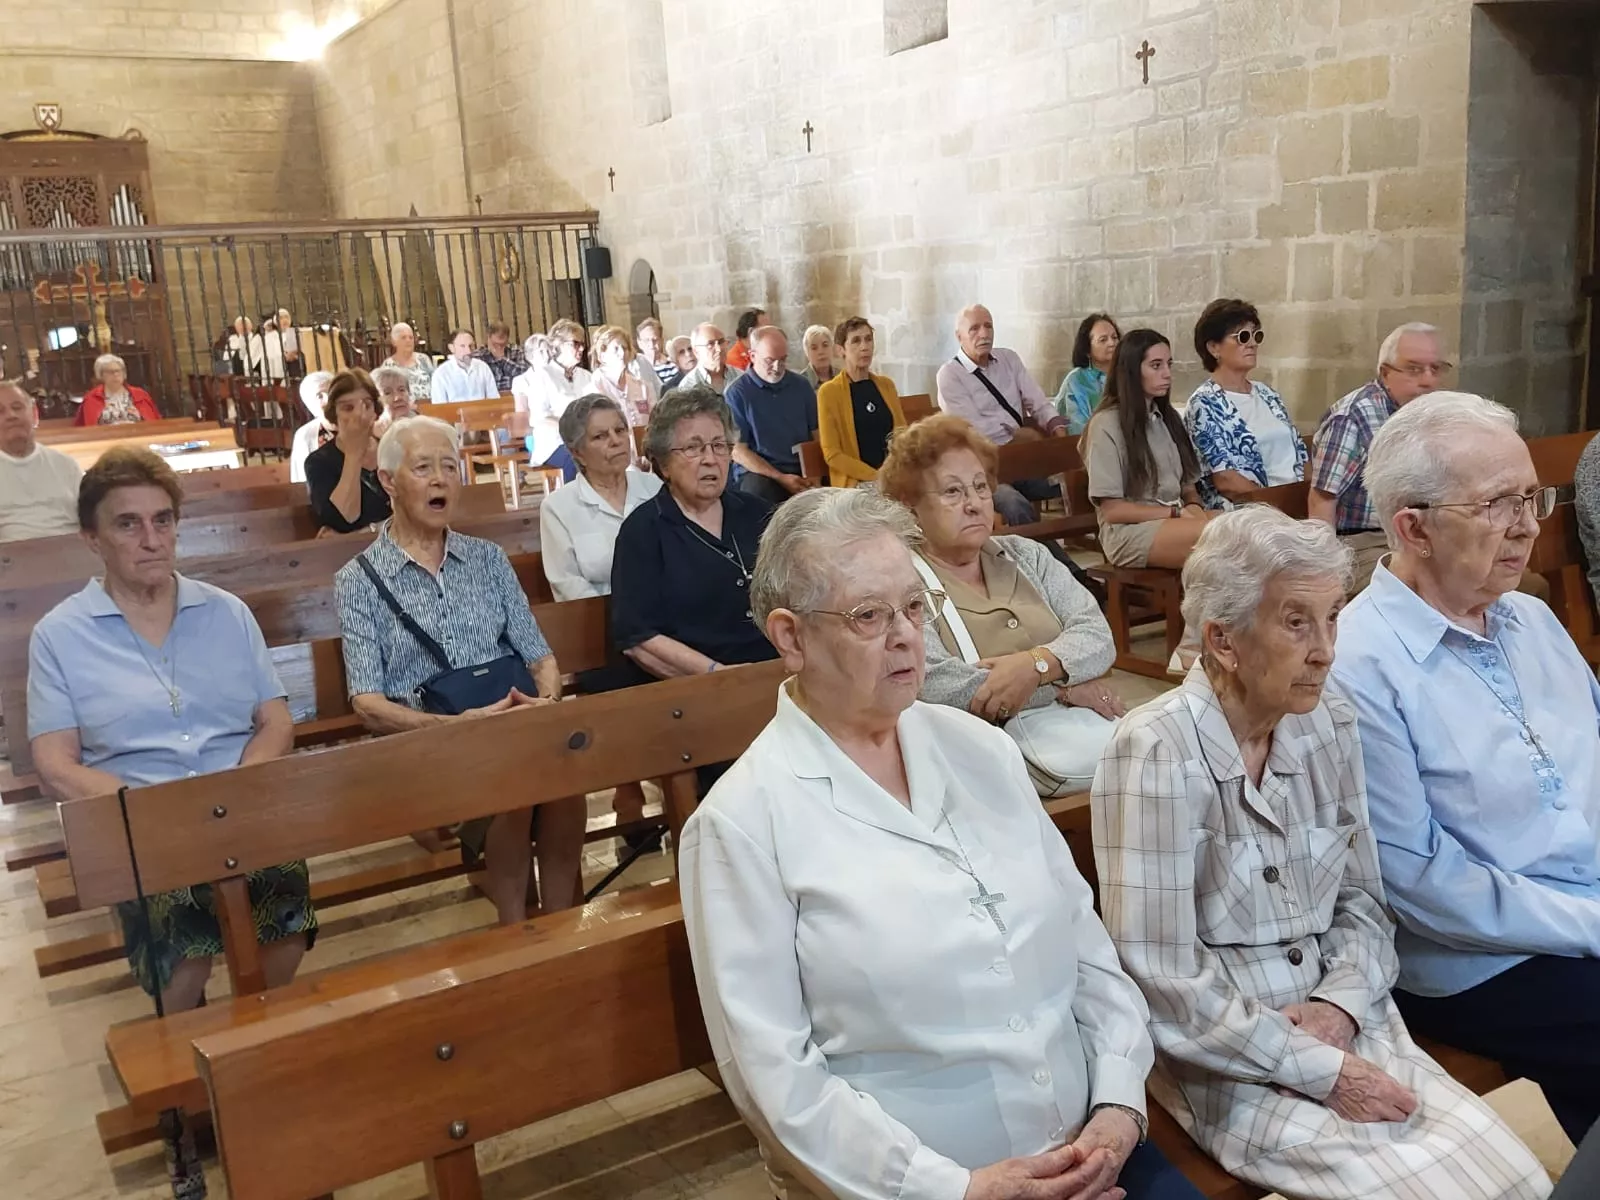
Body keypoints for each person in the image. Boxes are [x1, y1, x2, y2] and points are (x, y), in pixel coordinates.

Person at [680, 486, 1203, 1200]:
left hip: (1094, 1156)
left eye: (914, 607)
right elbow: (774, 1076)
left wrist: (1116, 1106)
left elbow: (1087, 951)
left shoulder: (981, 750)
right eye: (869, 615)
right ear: (790, 636)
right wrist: (957, 1187)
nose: (906, 634)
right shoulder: (743, 822)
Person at [1093, 506, 1551, 1199]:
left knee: (1514, 1173)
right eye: (1296, 622)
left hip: (1351, 1014)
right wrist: (1317, 1067)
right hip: (1229, 1055)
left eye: (1334, 616)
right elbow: (1163, 978)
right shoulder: (1154, 751)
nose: (1326, 650)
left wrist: (1340, 1008)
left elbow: (1364, 900)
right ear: (1223, 640)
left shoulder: (1328, 720)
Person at [1330, 390, 1600, 1147]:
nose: (1527, 525)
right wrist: (1590, 924)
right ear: (1413, 526)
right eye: (1496, 504)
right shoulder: (1360, 663)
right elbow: (1422, 886)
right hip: (1481, 955)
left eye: (1530, 496)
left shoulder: (1534, 618)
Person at [29, 446, 314, 1009]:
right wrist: (149, 809)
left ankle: (255, 1041)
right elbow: (55, 763)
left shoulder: (226, 612)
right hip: (140, 821)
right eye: (128, 524)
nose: (151, 538)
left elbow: (275, 721)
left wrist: (238, 789)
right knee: (181, 957)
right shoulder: (60, 635)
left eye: (162, 521)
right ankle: (187, 1064)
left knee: (283, 930)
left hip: (239, 807)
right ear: (93, 538)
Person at [334, 415, 582, 925]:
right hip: (432, 742)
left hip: (514, 723)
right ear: (388, 481)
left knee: (563, 783)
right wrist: (453, 728)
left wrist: (547, 707)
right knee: (513, 789)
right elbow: (367, 701)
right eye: (423, 467)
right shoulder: (358, 580)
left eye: (449, 466)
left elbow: (540, 657)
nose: (441, 478)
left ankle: (563, 928)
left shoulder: (487, 559)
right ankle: (516, 928)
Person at [879, 414, 1122, 795]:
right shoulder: (900, 584)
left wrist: (1035, 666)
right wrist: (1065, 689)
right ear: (910, 507)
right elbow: (937, 686)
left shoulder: (1028, 555)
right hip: (973, 765)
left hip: (1069, 743)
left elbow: (1097, 636)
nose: (974, 504)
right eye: (953, 492)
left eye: (980, 487)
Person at [610, 386, 778, 683]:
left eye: (719, 445)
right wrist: (717, 675)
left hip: (777, 673)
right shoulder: (644, 530)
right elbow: (638, 638)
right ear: (663, 462)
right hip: (696, 688)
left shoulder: (760, 514)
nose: (710, 459)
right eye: (693, 448)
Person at [1310, 323, 1452, 593]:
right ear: (1385, 373)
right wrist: (1324, 575)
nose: (1428, 380)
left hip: (1418, 536)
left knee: (1496, 583)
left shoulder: (1430, 414)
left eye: (1436, 369)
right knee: (1431, 589)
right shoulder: (1353, 418)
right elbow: (1322, 500)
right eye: (1414, 369)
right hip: (1362, 544)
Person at [1082, 329, 1215, 570]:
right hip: (1130, 533)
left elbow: (1188, 487)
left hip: (1175, 518)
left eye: (1168, 364)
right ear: (1132, 371)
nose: (1167, 374)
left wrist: (1194, 508)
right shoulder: (1106, 425)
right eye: (1156, 365)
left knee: (1250, 526)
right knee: (1223, 540)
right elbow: (1113, 511)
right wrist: (1174, 513)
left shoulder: (1166, 417)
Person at [934, 303, 1065, 528]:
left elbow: (1039, 402)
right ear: (959, 336)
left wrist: (1059, 435)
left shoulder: (1008, 359)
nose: (984, 334)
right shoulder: (950, 375)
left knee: (1073, 483)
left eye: (988, 326)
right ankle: (1046, 561)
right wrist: (1018, 437)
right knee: (1015, 505)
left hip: (1021, 459)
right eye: (974, 328)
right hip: (984, 471)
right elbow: (975, 431)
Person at [538, 393, 662, 602]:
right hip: (599, 621)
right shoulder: (558, 508)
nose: (616, 441)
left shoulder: (655, 488)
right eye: (600, 436)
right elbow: (568, 584)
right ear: (577, 452)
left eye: (620, 430)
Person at [1184, 298, 1307, 505]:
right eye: (1242, 337)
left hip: (1293, 504)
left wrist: (1307, 497)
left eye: (1256, 335)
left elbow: (1301, 454)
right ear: (1214, 347)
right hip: (1249, 511)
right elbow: (1226, 480)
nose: (1252, 343)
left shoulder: (1268, 394)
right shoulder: (1204, 404)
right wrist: (1276, 506)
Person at [723, 327, 819, 505]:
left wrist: (815, 475)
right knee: (758, 493)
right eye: (770, 360)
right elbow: (738, 451)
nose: (777, 367)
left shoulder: (801, 386)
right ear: (752, 356)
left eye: (783, 360)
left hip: (800, 468)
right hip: (761, 473)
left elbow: (816, 435)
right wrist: (780, 477)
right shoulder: (737, 393)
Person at [815, 316, 905, 489]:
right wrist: (876, 477)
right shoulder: (829, 392)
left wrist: (892, 471)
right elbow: (832, 454)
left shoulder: (886, 385)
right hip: (857, 481)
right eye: (856, 341)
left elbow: (901, 434)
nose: (865, 347)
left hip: (893, 475)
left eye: (868, 339)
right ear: (841, 350)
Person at [304, 369, 391, 534]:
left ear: (375, 410)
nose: (359, 414)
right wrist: (354, 453)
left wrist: (369, 530)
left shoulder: (392, 450)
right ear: (334, 414)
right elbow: (344, 520)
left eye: (366, 405)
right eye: (348, 408)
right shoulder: (319, 462)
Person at [0, 381, 84, 541]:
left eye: (17, 407)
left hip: (72, 555)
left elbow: (91, 523)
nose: (11, 415)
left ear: (35, 415)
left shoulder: (66, 465)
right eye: (0, 411)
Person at [513, 318, 591, 483]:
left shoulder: (586, 376)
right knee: (577, 461)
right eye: (576, 343)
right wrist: (571, 428)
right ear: (559, 345)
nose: (582, 348)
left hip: (586, 440)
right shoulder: (543, 376)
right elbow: (540, 417)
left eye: (582, 343)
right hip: (554, 443)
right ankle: (571, 505)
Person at [1053, 313, 1120, 435]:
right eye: (1103, 340)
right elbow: (1077, 427)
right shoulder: (1076, 381)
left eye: (1115, 337)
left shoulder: (1128, 374)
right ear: (1087, 349)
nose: (1112, 343)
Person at [589, 324, 655, 434]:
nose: (622, 353)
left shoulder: (643, 386)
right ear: (602, 355)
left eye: (624, 348)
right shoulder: (595, 387)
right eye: (615, 349)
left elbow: (654, 420)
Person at [77, 353, 160, 426]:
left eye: (118, 371)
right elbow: (88, 429)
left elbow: (154, 423)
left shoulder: (140, 394)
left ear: (124, 374)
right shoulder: (91, 398)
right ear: (100, 375)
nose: (116, 374)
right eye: (110, 372)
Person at [288, 369, 336, 484]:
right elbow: (300, 480)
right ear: (310, 405)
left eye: (332, 393)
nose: (328, 400)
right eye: (319, 396)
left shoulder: (357, 425)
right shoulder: (305, 435)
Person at [430, 329, 499, 404]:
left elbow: (494, 399)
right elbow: (439, 408)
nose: (468, 351)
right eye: (462, 346)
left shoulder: (483, 368)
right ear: (451, 348)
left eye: (471, 346)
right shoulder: (441, 374)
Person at [678, 323, 743, 395]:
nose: (719, 349)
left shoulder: (740, 377)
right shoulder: (688, 387)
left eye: (721, 342)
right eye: (710, 344)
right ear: (696, 352)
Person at [381, 321, 434, 401]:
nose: (408, 340)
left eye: (411, 337)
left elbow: (435, 383)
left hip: (428, 406)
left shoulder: (423, 359)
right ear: (394, 342)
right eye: (403, 337)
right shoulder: (388, 365)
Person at [473, 320, 527, 393]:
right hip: (489, 397)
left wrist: (502, 359)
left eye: (502, 344)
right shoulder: (478, 355)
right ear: (488, 338)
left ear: (507, 339)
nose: (498, 347)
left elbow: (525, 374)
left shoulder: (517, 351)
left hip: (514, 394)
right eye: (495, 344)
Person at [636, 317, 680, 392]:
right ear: (639, 343)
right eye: (647, 340)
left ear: (661, 340)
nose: (651, 344)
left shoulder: (673, 366)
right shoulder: (636, 367)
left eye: (655, 340)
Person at [372, 364, 417, 430]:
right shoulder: (371, 433)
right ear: (376, 400)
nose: (398, 398)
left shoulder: (422, 424)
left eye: (401, 390)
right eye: (388, 393)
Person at [798, 324, 837, 389]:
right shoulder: (799, 383)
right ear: (807, 352)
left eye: (825, 345)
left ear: (832, 347)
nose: (821, 352)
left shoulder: (844, 377)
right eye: (814, 348)